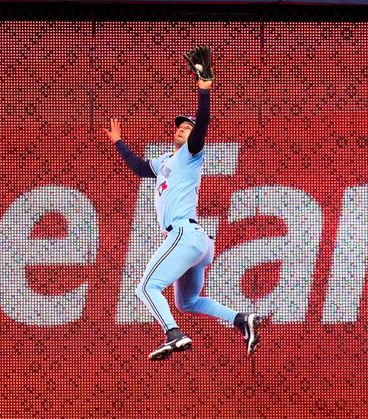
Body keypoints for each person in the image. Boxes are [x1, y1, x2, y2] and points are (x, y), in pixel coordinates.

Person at [102, 72, 262, 360]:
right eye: (180, 126)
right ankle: (241, 319)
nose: (182, 129)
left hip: (184, 235)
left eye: (187, 128)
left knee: (146, 287)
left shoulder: (191, 153)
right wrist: (118, 142)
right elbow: (139, 167)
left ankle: (173, 334)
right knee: (187, 301)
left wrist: (204, 89)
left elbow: (202, 124)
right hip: (196, 242)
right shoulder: (165, 160)